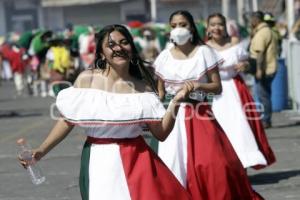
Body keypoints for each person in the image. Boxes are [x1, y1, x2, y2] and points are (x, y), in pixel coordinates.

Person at [18, 24, 191, 200]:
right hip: (99, 159)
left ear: (131, 47)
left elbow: (160, 133)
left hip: (138, 160)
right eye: (111, 45)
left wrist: (175, 102)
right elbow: (67, 120)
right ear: (101, 53)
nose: (119, 48)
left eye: (124, 42)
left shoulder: (143, 88)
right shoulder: (88, 79)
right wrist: (40, 151)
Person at [154, 10, 263, 200]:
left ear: (192, 27)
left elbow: (217, 87)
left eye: (183, 25)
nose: (178, 29)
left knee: (214, 165)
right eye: (174, 26)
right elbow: (160, 92)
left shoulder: (204, 52)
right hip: (173, 117)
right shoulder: (164, 57)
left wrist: (198, 85)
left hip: (199, 114)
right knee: (172, 166)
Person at [206, 13, 276, 169]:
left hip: (233, 91)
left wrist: (244, 66)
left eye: (220, 24)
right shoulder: (203, 48)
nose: (216, 28)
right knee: (217, 130)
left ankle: (242, 165)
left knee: (239, 128)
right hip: (213, 94)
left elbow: (247, 61)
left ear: (225, 27)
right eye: (213, 24)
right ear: (207, 27)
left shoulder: (235, 44)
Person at [249, 11, 278, 128]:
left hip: (265, 69)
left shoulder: (262, 33)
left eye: (252, 19)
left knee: (263, 95)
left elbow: (260, 53)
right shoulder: (266, 31)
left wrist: (259, 70)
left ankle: (265, 120)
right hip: (269, 67)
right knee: (264, 94)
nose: (251, 22)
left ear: (257, 20)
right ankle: (265, 119)